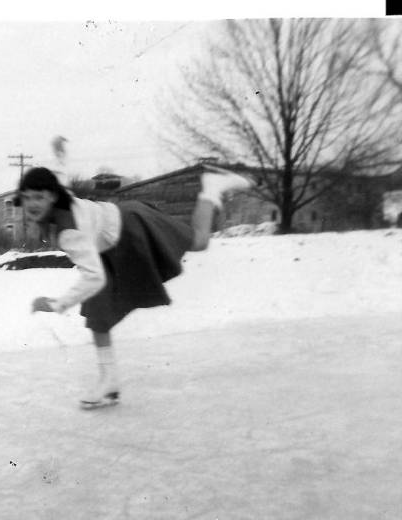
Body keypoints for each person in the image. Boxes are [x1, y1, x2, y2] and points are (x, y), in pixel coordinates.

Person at [19, 139, 255, 409]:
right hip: (111, 244)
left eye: (39, 197)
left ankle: (212, 188)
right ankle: (109, 383)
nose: (32, 204)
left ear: (51, 197)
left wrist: (56, 304)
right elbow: (59, 177)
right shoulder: (58, 196)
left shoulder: (69, 232)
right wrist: (60, 156)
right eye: (27, 198)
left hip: (133, 228)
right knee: (98, 315)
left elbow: (94, 278)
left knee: (200, 241)